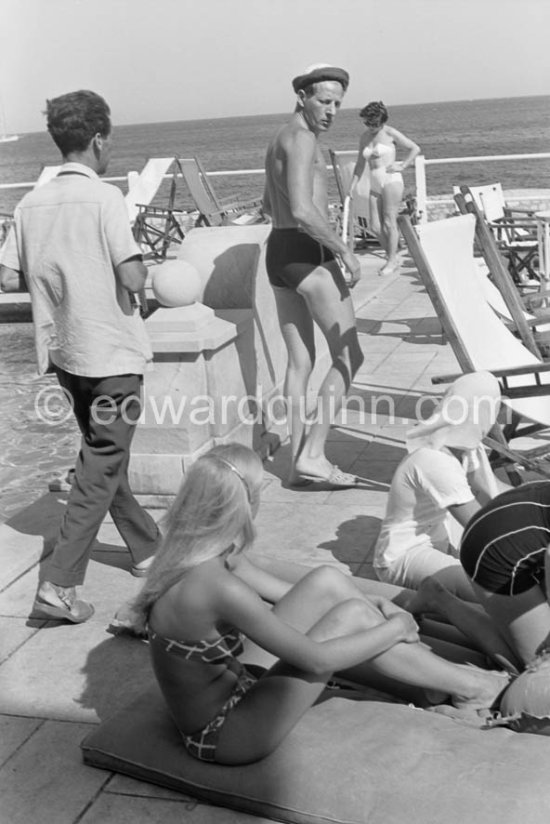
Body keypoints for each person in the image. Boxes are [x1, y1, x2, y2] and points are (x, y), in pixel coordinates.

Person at [131, 442, 509, 765]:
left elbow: (292, 596)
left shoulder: (201, 554)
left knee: (329, 581)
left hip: (237, 684)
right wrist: (395, 626)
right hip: (227, 734)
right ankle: (472, 687)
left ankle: (437, 679)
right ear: (242, 503)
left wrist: (381, 603)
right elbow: (316, 660)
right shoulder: (215, 585)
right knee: (354, 617)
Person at [0, 90, 159, 623]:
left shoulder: (29, 203)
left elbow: (7, 275)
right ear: (97, 139)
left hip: (67, 356)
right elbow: (133, 276)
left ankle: (149, 549)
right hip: (111, 355)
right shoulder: (106, 199)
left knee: (102, 458)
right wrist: (152, 283)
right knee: (101, 463)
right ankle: (59, 584)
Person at [263, 64, 364, 489]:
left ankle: (295, 465)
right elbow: (304, 210)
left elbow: (272, 204)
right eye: (324, 101)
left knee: (301, 361)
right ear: (302, 97)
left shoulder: (279, 139)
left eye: (338, 103)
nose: (332, 110)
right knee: (350, 356)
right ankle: (315, 454)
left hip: (280, 254)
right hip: (308, 256)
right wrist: (345, 252)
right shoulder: (303, 139)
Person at [374, 372, 510, 601]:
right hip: (402, 557)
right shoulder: (435, 461)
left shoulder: (465, 447)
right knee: (493, 590)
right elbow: (480, 525)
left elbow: (495, 490)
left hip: (438, 540)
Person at [350, 101, 420, 276]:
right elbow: (360, 164)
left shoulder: (390, 132)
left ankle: (391, 260)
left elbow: (414, 148)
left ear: (382, 121)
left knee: (389, 222)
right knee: (374, 226)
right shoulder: (364, 137)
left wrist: (402, 165)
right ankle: (393, 255)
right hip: (374, 182)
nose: (371, 126)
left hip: (391, 180)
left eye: (375, 123)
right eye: (368, 122)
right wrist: (351, 186)